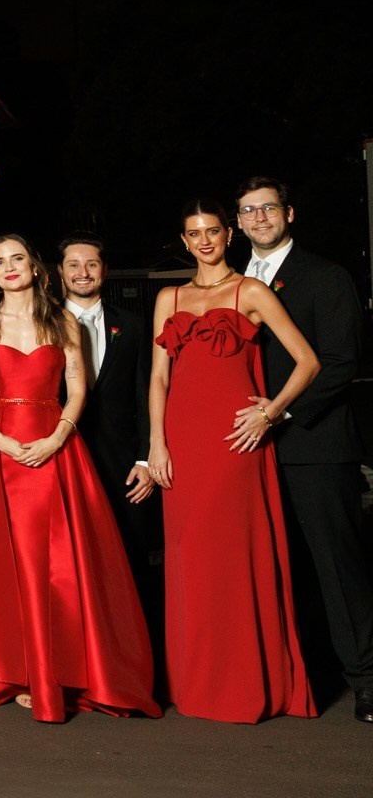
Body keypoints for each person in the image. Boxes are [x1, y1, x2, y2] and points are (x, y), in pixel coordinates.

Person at [0, 234, 157, 721]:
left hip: (54, 445)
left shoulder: (63, 321)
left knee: (55, 562)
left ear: (35, 268)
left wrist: (57, 438)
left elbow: (77, 389)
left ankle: (57, 670)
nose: (9, 268)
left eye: (18, 259)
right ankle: (11, 667)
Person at [149, 198, 319, 723]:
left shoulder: (252, 290)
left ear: (229, 235)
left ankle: (243, 684)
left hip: (232, 443)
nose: (204, 240)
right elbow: (158, 378)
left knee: (230, 557)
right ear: (184, 240)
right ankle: (198, 683)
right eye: (193, 233)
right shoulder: (168, 296)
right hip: (181, 444)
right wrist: (156, 443)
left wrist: (270, 412)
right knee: (189, 561)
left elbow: (308, 361)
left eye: (213, 231)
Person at [233, 177, 373, 723]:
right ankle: (301, 675)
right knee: (277, 567)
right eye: (249, 210)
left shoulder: (326, 276)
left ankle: (365, 676)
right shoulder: (230, 280)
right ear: (238, 223)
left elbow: (341, 361)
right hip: (247, 449)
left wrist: (281, 411)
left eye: (269, 207)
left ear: (289, 213)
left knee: (336, 566)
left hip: (312, 444)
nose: (260, 217)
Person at [60, 235, 161, 631]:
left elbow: (145, 395)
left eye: (91, 264)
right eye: (73, 264)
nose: (82, 273)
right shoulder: (42, 322)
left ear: (105, 270)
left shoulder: (133, 325)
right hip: (64, 458)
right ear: (60, 272)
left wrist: (144, 458)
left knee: (130, 561)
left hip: (124, 467)